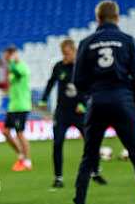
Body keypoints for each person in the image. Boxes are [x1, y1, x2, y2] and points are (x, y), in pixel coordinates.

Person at [72, 0, 135, 204]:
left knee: (89, 157)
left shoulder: (86, 42)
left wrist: (90, 96)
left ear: (98, 18)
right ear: (118, 17)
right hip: (123, 101)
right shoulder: (128, 41)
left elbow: (78, 80)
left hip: (98, 102)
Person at [39, 39, 107, 188]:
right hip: (62, 113)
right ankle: (58, 178)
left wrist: (83, 103)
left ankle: (95, 172)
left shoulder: (83, 67)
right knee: (57, 144)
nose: (65, 56)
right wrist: (43, 100)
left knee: (91, 142)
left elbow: (91, 87)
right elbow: (51, 83)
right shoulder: (59, 66)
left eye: (67, 53)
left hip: (80, 113)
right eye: (63, 53)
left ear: (74, 51)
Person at [2, 46, 32, 172]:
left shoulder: (21, 67)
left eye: (8, 55)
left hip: (22, 105)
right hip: (13, 106)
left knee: (19, 133)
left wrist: (12, 62)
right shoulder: (11, 68)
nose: (5, 57)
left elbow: (18, 74)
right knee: (6, 132)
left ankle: (27, 160)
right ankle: (20, 155)